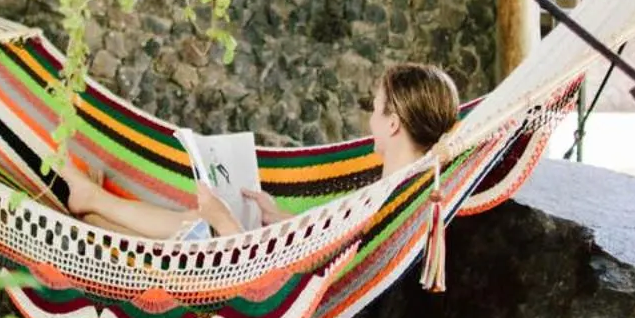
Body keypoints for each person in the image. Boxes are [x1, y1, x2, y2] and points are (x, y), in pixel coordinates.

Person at [60, 62, 460, 240]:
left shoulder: (387, 197)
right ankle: (95, 212)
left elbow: (299, 275)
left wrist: (227, 224)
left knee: (203, 225)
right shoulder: (409, 189)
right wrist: (279, 216)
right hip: (278, 263)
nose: (370, 120)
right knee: (199, 222)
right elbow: (331, 246)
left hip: (265, 290)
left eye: (374, 110)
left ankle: (93, 209)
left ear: (393, 124)